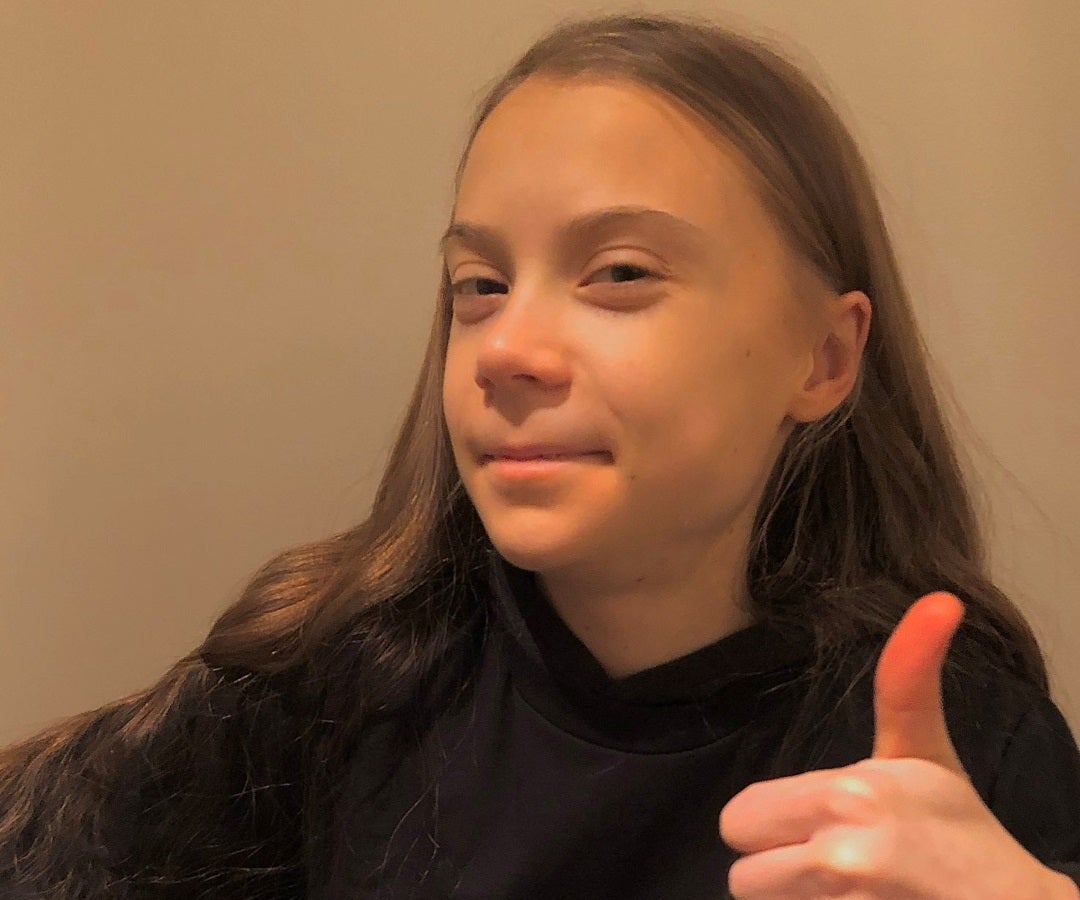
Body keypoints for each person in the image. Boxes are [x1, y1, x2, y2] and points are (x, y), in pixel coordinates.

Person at [2, 11, 1078, 899]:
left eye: (619, 273)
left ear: (825, 357)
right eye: (479, 286)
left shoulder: (963, 745)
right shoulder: (325, 684)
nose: (505, 351)